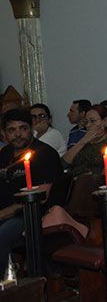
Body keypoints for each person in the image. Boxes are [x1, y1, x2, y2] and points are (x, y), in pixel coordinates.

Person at [0, 108, 63, 260]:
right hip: (5, 213)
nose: (18, 134)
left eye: (23, 128)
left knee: (2, 235)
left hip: (31, 216)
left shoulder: (45, 153)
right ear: (4, 133)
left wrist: (2, 214)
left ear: (31, 128)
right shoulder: (4, 154)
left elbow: (41, 197)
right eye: (12, 130)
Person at [62, 104, 107, 176]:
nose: (88, 125)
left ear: (105, 121)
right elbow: (63, 164)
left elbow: (106, 172)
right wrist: (82, 142)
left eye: (92, 121)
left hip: (94, 180)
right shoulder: (85, 140)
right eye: (86, 122)